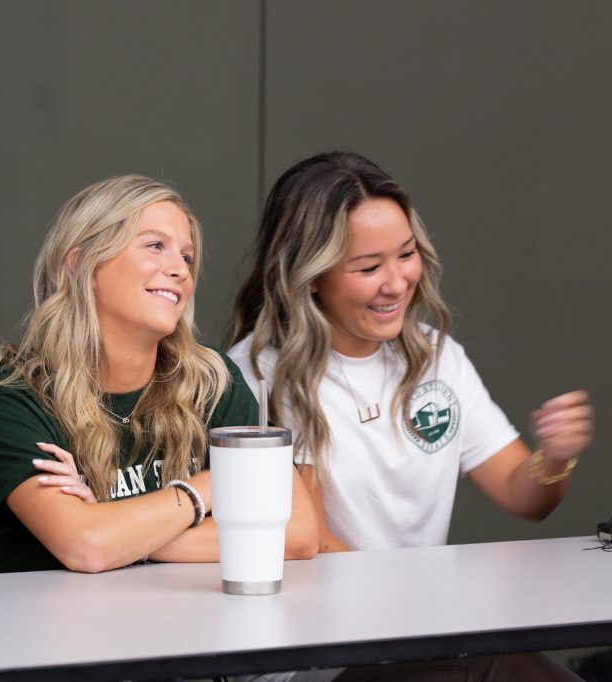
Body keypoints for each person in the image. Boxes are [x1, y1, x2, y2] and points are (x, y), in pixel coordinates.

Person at [227, 151, 590, 681]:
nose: (397, 282)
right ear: (309, 276)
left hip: (414, 637)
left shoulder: (435, 356)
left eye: (406, 254)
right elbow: (312, 547)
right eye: (369, 267)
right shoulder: (257, 377)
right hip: (315, 657)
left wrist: (555, 457)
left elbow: (524, 494)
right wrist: (440, 605)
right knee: (490, 664)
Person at [0, 174, 318, 574]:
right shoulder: (10, 400)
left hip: (188, 628)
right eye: (156, 246)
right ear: (82, 265)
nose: (179, 269)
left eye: (187, 257)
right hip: (52, 633)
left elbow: (298, 533)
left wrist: (120, 530)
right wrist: (211, 487)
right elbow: (88, 547)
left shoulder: (212, 381)